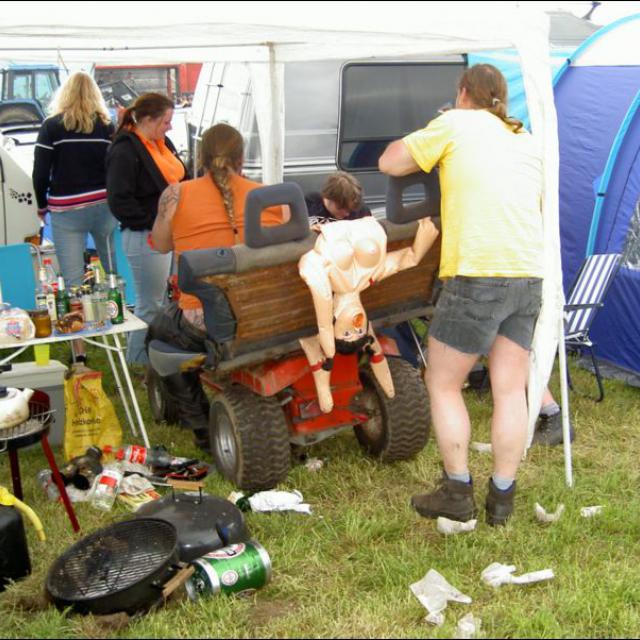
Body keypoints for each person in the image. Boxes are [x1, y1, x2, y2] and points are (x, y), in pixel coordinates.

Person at [379, 64, 544, 526]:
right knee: (509, 388)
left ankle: (456, 491)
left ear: (464, 92)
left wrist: (436, 126)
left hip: (477, 271)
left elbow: (390, 162)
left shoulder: (454, 123)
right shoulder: (526, 140)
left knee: (443, 383)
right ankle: (502, 500)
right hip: (528, 272)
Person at [148, 123, 285, 448]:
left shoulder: (176, 195)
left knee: (159, 332)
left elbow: (161, 245)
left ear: (201, 157)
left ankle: (201, 429)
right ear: (241, 159)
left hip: (207, 322)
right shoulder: (269, 196)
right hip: (268, 313)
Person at [32, 71, 118, 363]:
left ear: (64, 94)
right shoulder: (107, 126)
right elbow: (116, 167)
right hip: (103, 206)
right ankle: (117, 324)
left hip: (67, 210)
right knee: (112, 271)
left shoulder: (51, 126)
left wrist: (41, 206)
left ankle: (79, 352)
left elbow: (40, 172)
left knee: (72, 283)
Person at [106, 92, 187, 365]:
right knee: (150, 303)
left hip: (170, 232)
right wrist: (152, 223)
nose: (170, 127)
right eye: (166, 121)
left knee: (169, 300)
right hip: (145, 236)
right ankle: (138, 361)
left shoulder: (162, 145)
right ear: (149, 120)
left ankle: (160, 356)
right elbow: (119, 200)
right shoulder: (125, 150)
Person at [305, 171, 371, 225]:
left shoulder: (361, 211)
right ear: (329, 198)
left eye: (350, 210)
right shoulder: (310, 204)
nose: (347, 214)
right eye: (342, 208)